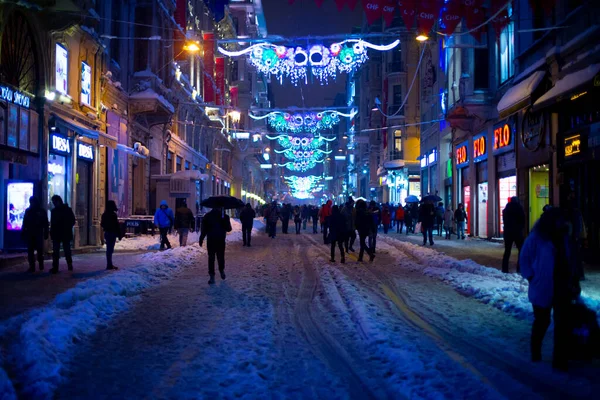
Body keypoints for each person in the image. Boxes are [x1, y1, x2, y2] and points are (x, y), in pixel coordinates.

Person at [520, 208, 580, 371]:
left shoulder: (565, 237)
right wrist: (532, 276)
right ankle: (536, 352)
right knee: (542, 321)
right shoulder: (536, 238)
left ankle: (560, 360)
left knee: (562, 323)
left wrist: (574, 280)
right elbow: (524, 259)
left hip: (562, 285)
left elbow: (572, 260)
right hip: (542, 285)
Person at [199, 207, 232, 284]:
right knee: (220, 256)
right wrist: (224, 221)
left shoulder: (207, 216)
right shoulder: (225, 216)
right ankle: (221, 270)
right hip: (220, 239)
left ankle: (212, 276)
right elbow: (229, 229)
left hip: (211, 240)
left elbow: (204, 229)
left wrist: (201, 238)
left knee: (211, 258)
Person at [21, 196, 49, 272]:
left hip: (38, 233)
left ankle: (40, 264)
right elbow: (25, 222)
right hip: (31, 233)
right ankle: (32, 266)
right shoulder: (29, 211)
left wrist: (46, 232)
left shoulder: (40, 211)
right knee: (31, 250)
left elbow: (45, 223)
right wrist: (23, 231)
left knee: (39, 250)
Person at [49, 195, 76, 273]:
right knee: (57, 251)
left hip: (64, 233)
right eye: (53, 202)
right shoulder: (55, 211)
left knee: (64, 250)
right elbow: (53, 223)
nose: (53, 203)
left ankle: (68, 265)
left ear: (58, 201)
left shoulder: (66, 210)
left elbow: (73, 220)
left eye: (54, 202)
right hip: (60, 233)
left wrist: (67, 226)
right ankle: (57, 267)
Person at [502, 196, 525, 273]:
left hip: (508, 233)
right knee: (521, 250)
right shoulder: (519, 208)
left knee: (507, 251)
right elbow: (523, 220)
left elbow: (505, 221)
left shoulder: (506, 209)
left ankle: (504, 269)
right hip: (517, 232)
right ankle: (519, 268)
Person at [101, 200, 123, 270]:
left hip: (107, 233)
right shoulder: (113, 215)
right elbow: (116, 225)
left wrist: (105, 227)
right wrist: (119, 234)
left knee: (109, 249)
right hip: (112, 233)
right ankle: (109, 265)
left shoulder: (104, 214)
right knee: (110, 249)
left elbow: (102, 224)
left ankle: (109, 264)